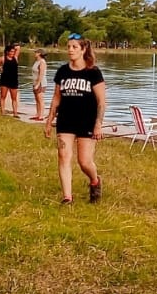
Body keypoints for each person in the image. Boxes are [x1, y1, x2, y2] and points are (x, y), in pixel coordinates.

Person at [45, 35, 106, 204]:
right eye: (69, 47)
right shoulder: (62, 71)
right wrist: (49, 121)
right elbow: (56, 98)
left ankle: (95, 180)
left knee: (84, 161)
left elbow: (101, 102)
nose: (70, 50)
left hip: (87, 121)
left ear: (83, 50)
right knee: (63, 155)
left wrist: (98, 124)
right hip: (66, 120)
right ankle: (67, 197)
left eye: (74, 47)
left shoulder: (93, 72)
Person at [0, 44, 21, 117]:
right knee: (3, 96)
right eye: (11, 51)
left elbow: (18, 48)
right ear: (7, 52)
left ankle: (15, 113)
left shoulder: (15, 58)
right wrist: (0, 68)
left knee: (14, 98)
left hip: (14, 80)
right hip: (5, 80)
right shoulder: (3, 58)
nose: (12, 53)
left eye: (13, 51)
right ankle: (3, 111)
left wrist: (13, 47)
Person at [29, 49, 49, 120]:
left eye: (36, 52)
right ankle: (37, 114)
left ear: (40, 54)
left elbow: (41, 74)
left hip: (41, 83)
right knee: (37, 99)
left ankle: (41, 116)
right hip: (35, 82)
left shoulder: (42, 62)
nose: (35, 53)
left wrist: (38, 84)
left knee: (40, 99)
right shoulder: (36, 61)